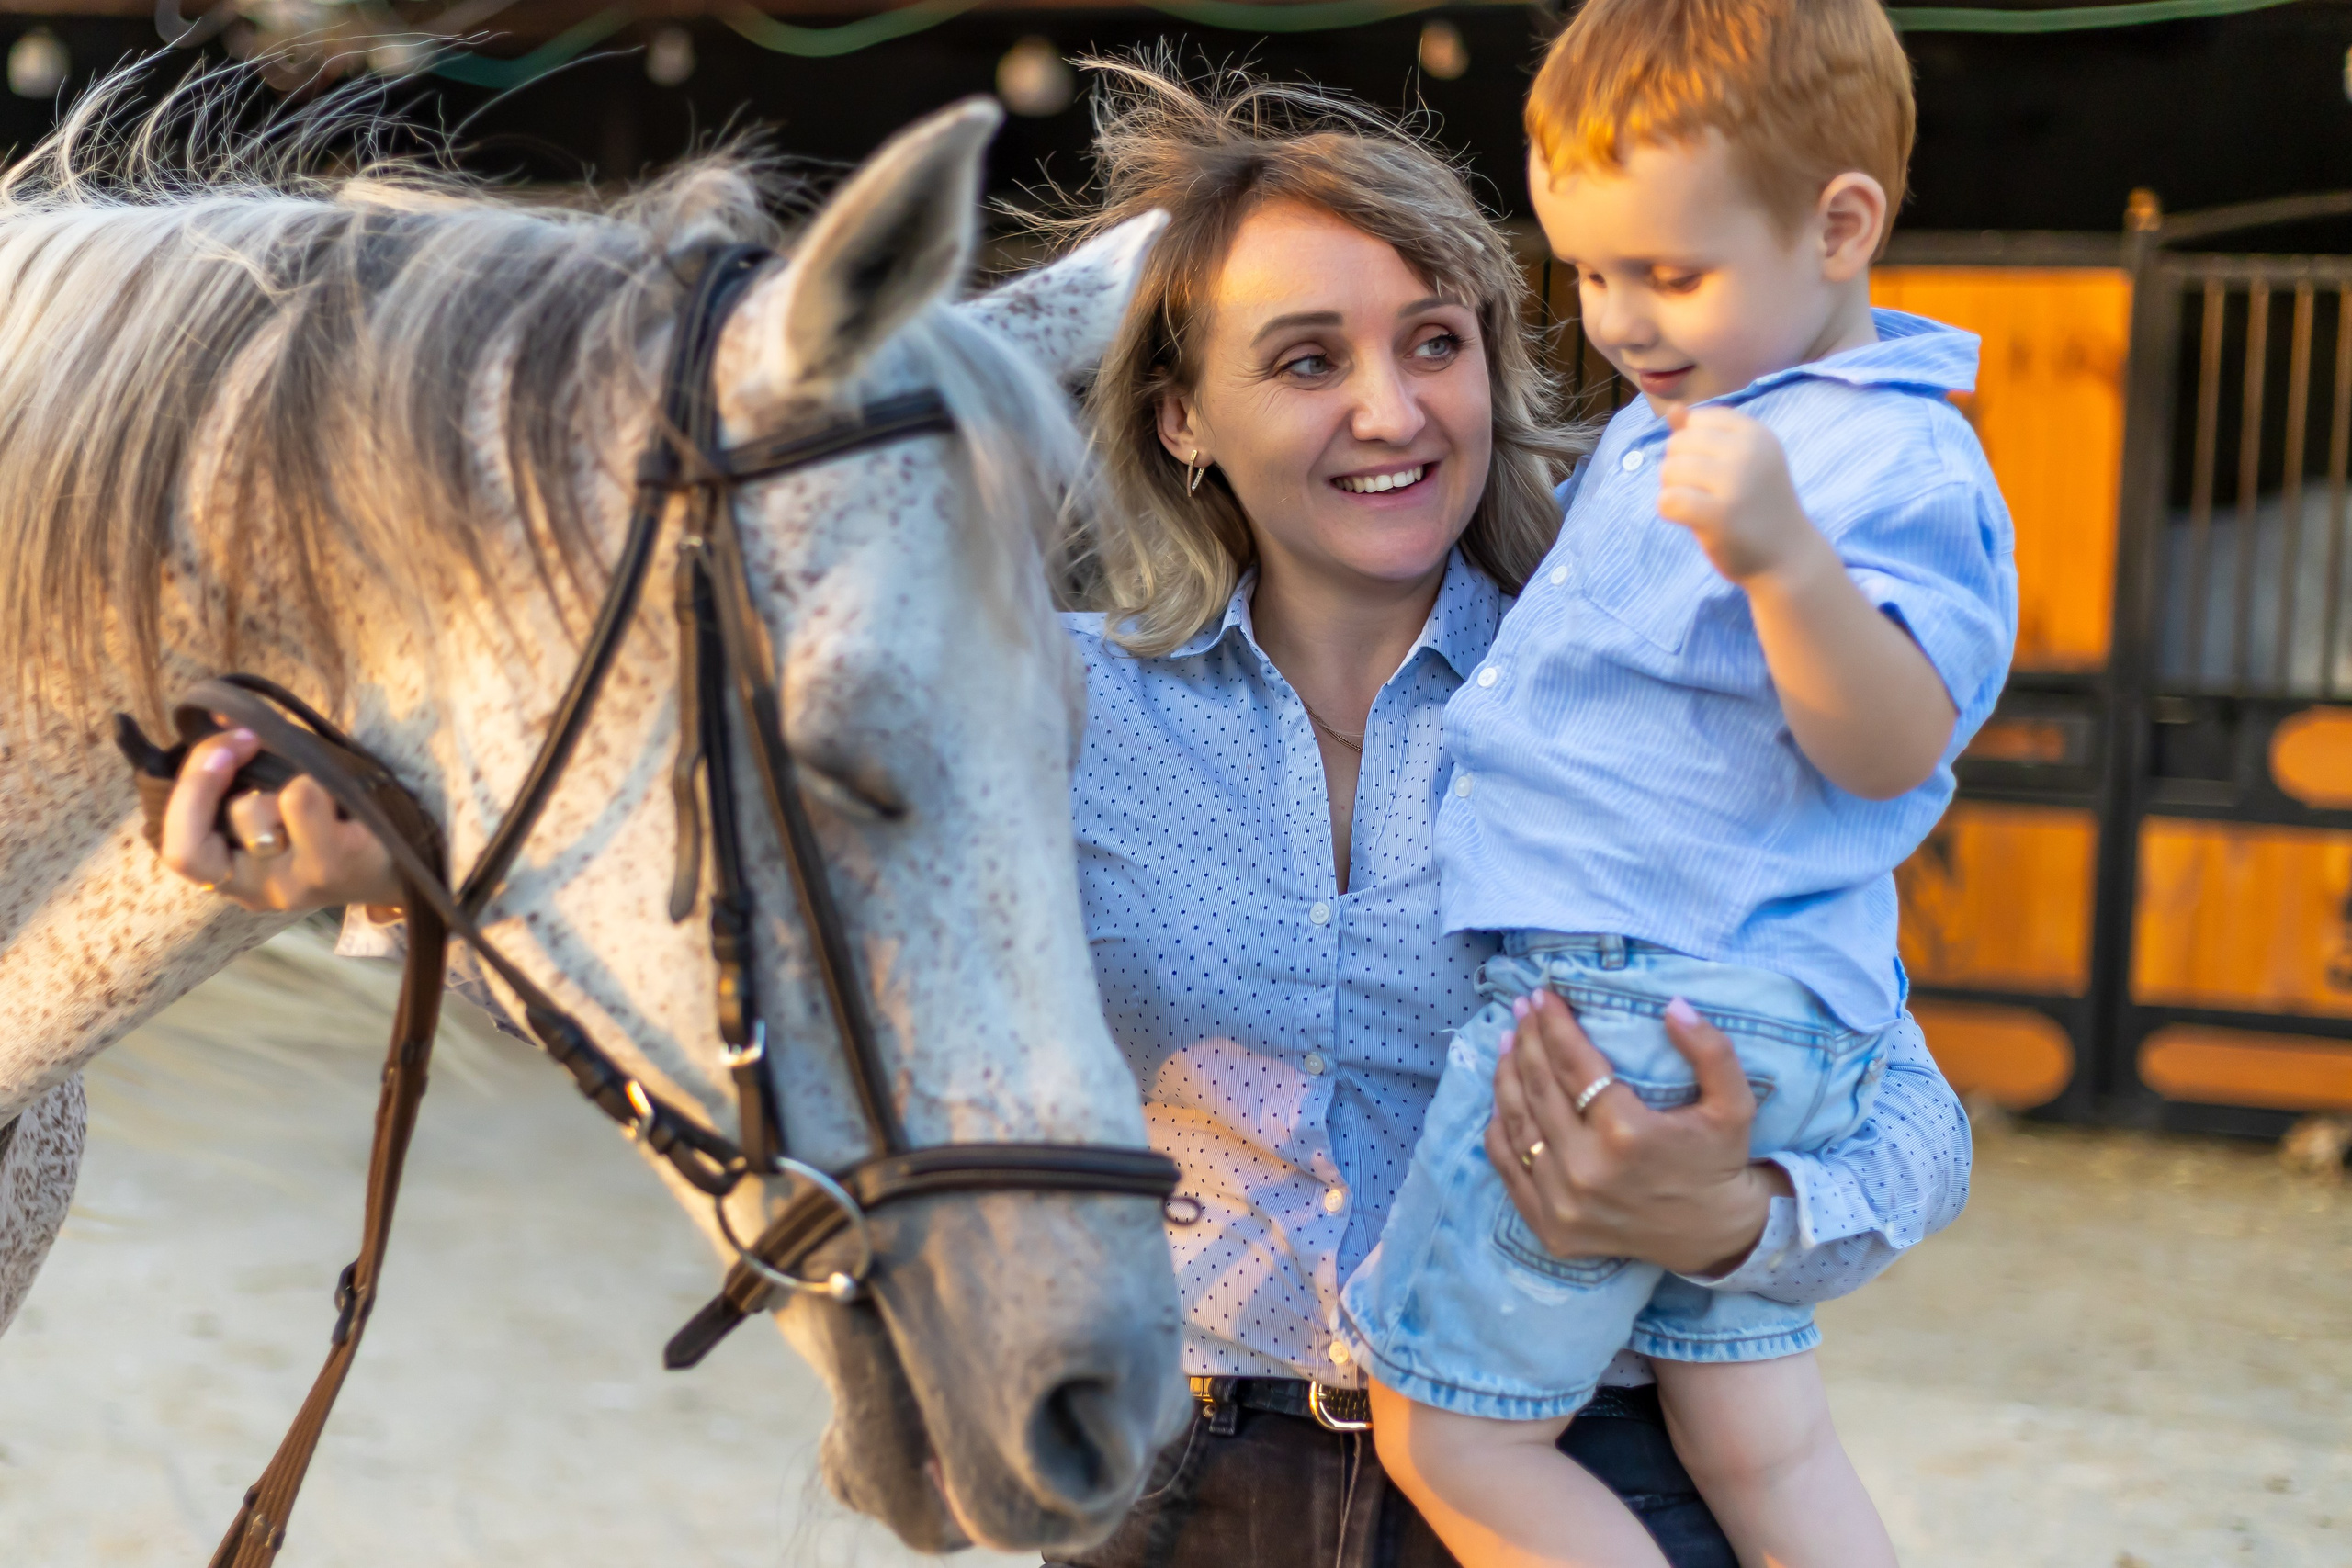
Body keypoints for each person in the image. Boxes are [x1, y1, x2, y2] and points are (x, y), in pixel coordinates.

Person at [154, 57, 1974, 1568]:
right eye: (1304, 358)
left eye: (1435, 340)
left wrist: (1731, 1207)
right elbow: (779, 994)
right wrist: (386, 882)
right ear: (1178, 417)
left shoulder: (1655, 694)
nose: (1390, 409)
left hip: (1583, 1482)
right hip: (1179, 1495)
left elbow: (1903, 1122)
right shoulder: (1057, 711)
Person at [1337, 4, 2016, 1566]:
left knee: (1449, 1432)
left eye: (1674, 272)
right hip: (1763, 1015)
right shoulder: (1693, 419)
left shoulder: (1877, 460)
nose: (1626, 318)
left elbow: (1897, 737)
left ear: (1843, 226)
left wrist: (1784, 561)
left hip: (1618, 1003)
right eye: (1590, 269)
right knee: (1762, 1449)